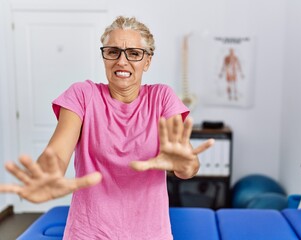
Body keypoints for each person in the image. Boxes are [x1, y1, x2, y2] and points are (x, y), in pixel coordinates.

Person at [0, 16, 214, 239]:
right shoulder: (82, 95)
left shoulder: (162, 97)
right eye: (113, 52)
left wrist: (185, 164)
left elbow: (187, 167)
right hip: (89, 231)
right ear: (104, 57)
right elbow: (58, 153)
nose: (122, 61)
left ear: (147, 61)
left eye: (133, 53)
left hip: (150, 233)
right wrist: (45, 175)